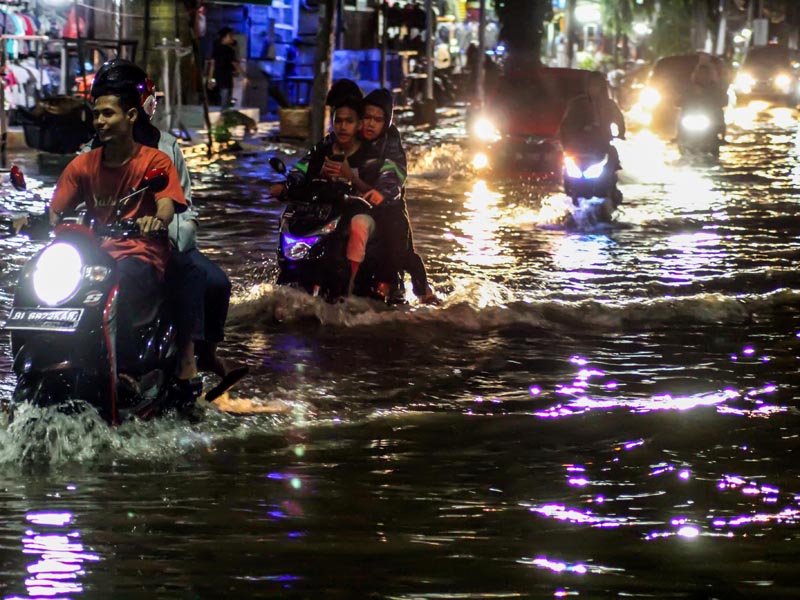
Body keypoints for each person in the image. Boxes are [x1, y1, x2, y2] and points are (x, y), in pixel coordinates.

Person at [86, 59, 247, 401]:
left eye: (113, 107)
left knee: (214, 282)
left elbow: (181, 206)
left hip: (160, 243)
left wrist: (159, 230)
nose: (103, 117)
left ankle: (198, 356)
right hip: (104, 248)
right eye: (101, 108)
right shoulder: (88, 154)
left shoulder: (165, 149)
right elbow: (67, 203)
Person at [48, 75, 191, 395]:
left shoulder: (156, 160)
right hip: (92, 253)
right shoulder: (82, 164)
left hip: (139, 252)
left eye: (108, 113)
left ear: (130, 116)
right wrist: (44, 223)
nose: (100, 121)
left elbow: (166, 204)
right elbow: (56, 209)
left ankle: (125, 370)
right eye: (96, 114)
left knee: (121, 282)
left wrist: (155, 221)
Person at [356, 88, 438, 304]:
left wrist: (382, 192)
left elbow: (394, 173)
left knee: (399, 249)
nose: (371, 124)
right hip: (352, 204)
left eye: (378, 119)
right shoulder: (347, 139)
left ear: (386, 122)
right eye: (366, 117)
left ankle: (421, 290)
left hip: (387, 206)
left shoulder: (390, 143)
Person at [559, 71, 626, 204]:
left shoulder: (609, 105)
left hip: (601, 147)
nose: (594, 89)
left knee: (612, 160)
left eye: (597, 85)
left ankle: (611, 193)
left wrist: (620, 133)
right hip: (578, 148)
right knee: (567, 168)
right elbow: (565, 125)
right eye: (591, 85)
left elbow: (620, 121)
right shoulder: (577, 103)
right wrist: (567, 141)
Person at [679, 63, 727, 141]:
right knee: (682, 116)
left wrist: (719, 102)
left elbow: (723, 99)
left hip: (709, 115)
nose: (702, 76)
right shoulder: (690, 88)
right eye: (700, 74)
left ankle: (721, 135)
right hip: (691, 114)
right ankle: (679, 136)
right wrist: (679, 102)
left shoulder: (714, 88)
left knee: (719, 113)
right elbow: (680, 99)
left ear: (708, 75)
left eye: (705, 74)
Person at [207, 26, 244, 109]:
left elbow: (212, 64)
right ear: (225, 37)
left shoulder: (216, 48)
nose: (232, 38)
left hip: (218, 79)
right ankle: (224, 117)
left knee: (221, 101)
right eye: (230, 36)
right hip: (225, 80)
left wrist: (210, 79)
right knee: (225, 102)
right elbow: (235, 64)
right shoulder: (229, 50)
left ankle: (223, 116)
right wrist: (244, 75)